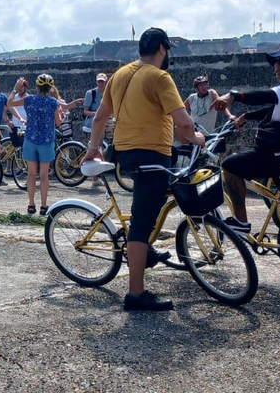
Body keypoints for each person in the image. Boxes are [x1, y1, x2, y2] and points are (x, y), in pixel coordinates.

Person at [84, 27, 205, 311]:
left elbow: (101, 118)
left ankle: (144, 251)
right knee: (141, 224)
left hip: (126, 154)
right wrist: (199, 138)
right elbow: (185, 125)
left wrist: (93, 147)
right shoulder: (160, 77)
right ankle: (135, 294)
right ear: (163, 49)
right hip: (151, 155)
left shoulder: (119, 75)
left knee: (146, 212)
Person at [210, 43, 280, 280]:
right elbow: (275, 107)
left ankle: (241, 221)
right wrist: (248, 116)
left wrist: (234, 96)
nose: (277, 67)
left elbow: (267, 95)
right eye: (275, 63)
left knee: (230, 165)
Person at [9, 74, 61, 215]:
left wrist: (15, 89)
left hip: (30, 140)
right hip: (46, 141)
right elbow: (58, 123)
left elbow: (10, 104)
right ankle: (44, 206)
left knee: (31, 175)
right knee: (44, 175)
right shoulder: (53, 102)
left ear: (37, 87)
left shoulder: (29, 100)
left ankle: (31, 204)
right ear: (50, 88)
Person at [83, 73, 108, 187]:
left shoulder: (108, 93)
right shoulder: (91, 93)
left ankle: (96, 176)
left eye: (102, 81)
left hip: (103, 123)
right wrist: (96, 114)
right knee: (96, 148)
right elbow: (85, 111)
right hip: (93, 123)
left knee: (101, 148)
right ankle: (94, 178)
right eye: (99, 81)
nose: (100, 83)